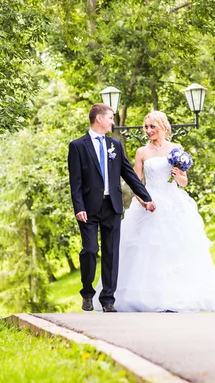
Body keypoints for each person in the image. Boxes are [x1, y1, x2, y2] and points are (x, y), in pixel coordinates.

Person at [114, 111, 215, 312]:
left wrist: (177, 175)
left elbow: (184, 182)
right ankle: (148, 298)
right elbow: (135, 183)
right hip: (149, 202)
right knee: (147, 249)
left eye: (152, 126)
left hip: (173, 202)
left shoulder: (176, 149)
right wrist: (145, 202)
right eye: (146, 127)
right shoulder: (142, 152)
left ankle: (178, 297)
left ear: (162, 127)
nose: (148, 131)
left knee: (178, 248)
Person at [68, 103, 155, 313]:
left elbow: (128, 174)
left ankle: (108, 299)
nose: (113, 122)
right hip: (88, 208)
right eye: (110, 118)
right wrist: (78, 206)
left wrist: (146, 197)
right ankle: (87, 293)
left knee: (111, 253)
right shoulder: (77, 146)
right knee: (90, 250)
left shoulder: (115, 145)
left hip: (113, 206)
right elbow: (76, 181)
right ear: (99, 118)